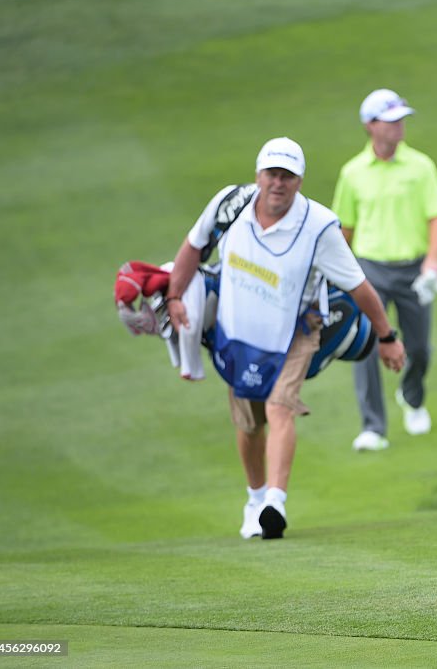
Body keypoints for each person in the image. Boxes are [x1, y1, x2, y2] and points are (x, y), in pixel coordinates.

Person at [166, 137, 405, 540]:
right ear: (258, 176)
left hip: (298, 329)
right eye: (272, 174)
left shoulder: (319, 227)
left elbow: (360, 287)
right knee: (249, 423)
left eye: (288, 176)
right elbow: (194, 246)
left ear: (299, 181)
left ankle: (275, 502)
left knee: (279, 407)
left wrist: (387, 335)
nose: (278, 183)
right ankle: (255, 498)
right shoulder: (231, 203)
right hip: (238, 329)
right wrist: (174, 295)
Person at [332, 89, 437, 452]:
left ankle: (412, 397)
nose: (399, 126)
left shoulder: (420, 166)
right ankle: (373, 427)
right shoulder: (352, 173)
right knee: (368, 345)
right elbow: (345, 229)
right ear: (370, 126)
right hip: (369, 270)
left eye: (401, 119)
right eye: (391, 120)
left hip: (414, 268)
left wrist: (432, 259)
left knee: (419, 347)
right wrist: (341, 273)